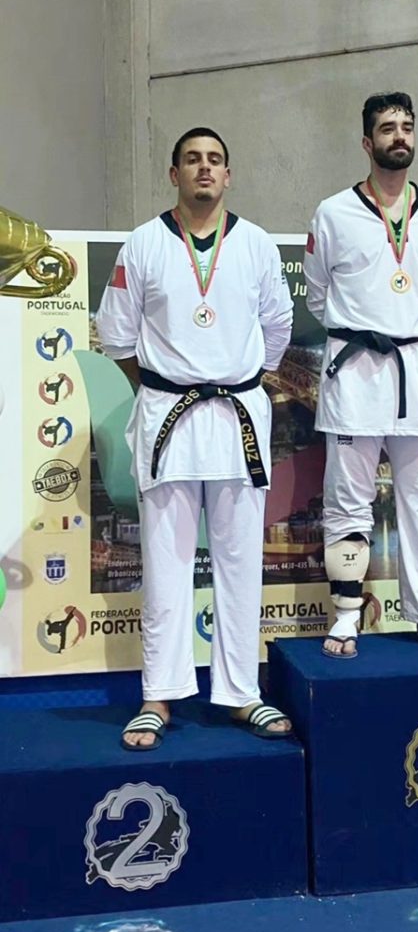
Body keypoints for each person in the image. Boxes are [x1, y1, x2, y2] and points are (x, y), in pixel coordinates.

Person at [96, 126, 294, 749]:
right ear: (173, 174)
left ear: (228, 175)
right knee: (166, 563)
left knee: (240, 561)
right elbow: (116, 334)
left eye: (214, 160)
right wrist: (164, 386)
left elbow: (278, 326)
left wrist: (239, 379)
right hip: (168, 418)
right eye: (192, 159)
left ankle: (242, 693)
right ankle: (159, 694)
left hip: (237, 416)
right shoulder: (144, 243)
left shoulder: (256, 244)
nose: (204, 168)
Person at [303, 92, 418, 658]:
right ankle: (347, 614)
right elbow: (318, 294)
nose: (399, 136)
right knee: (347, 503)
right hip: (356, 374)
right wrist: (362, 326)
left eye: (406, 127)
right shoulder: (333, 213)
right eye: (387, 128)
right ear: (366, 142)